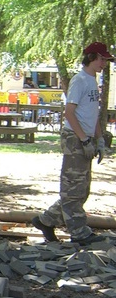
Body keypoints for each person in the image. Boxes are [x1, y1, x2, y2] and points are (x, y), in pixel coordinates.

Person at [32, 41, 113, 247]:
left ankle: (45, 221)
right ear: (91, 58)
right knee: (73, 190)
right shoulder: (80, 80)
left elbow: (92, 114)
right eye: (102, 59)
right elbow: (69, 113)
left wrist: (99, 139)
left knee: (81, 189)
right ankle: (79, 232)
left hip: (85, 137)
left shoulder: (93, 81)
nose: (104, 63)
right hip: (74, 138)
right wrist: (84, 139)